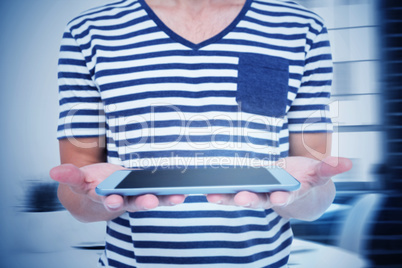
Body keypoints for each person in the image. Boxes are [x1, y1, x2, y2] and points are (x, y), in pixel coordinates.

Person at [50, 0, 352, 267]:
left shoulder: (300, 28)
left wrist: (304, 190)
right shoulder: (89, 31)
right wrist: (94, 196)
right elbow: (75, 190)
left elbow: (318, 193)